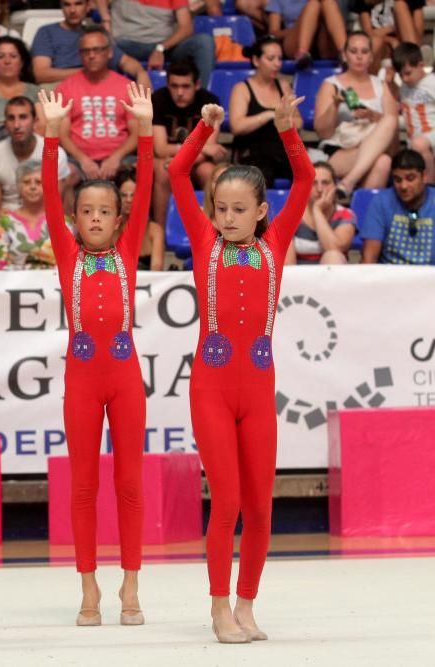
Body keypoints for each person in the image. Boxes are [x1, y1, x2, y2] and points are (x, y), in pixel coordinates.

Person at [168, 93, 312, 643]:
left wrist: (287, 130)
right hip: (211, 389)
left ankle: (248, 604)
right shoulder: (205, 244)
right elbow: (178, 172)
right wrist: (204, 130)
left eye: (237, 210)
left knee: (259, 505)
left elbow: (302, 183)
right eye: (219, 209)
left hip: (258, 393)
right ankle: (218, 607)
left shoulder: (275, 243)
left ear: (259, 212)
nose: (225, 219)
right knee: (225, 499)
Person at [41, 85, 153, 630]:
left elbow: (149, 189)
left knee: (129, 483)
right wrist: (52, 136)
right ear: (75, 216)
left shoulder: (128, 252)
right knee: (83, 484)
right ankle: (89, 587)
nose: (93, 218)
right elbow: (46, 191)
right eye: (85, 210)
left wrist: (147, 134)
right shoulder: (67, 255)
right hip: (83, 380)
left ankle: (131, 583)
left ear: (117, 219)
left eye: (104, 211)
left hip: (125, 378)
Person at [151, 57, 223, 257]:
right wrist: (200, 150)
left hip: (195, 161)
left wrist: (182, 159)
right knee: (163, 171)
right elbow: (160, 148)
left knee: (210, 173)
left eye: (185, 86)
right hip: (175, 159)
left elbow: (212, 148)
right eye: (174, 86)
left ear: (197, 85)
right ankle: (163, 235)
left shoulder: (210, 102)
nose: (180, 92)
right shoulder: (158, 99)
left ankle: (217, 234)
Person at [314, 31, 398, 197]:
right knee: (381, 159)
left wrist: (373, 117)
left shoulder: (382, 86)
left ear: (372, 57)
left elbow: (394, 141)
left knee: (384, 160)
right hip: (340, 152)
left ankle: (350, 187)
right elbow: (323, 132)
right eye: (353, 51)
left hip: (375, 150)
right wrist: (335, 105)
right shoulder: (331, 84)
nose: (359, 57)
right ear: (345, 56)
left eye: (364, 52)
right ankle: (350, 183)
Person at [0, 95, 72, 233]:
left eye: (23, 117)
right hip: (8, 220)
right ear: (5, 123)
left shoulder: (56, 153)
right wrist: (16, 220)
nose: (17, 125)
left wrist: (35, 223)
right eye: (11, 118)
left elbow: (56, 203)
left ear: (35, 121)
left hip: (45, 218)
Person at [55, 27, 136, 181]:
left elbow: (137, 133)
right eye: (86, 51)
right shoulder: (65, 88)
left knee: (141, 171)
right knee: (64, 174)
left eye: (97, 50)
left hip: (121, 158)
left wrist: (115, 158)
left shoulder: (127, 87)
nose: (91, 56)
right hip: (78, 160)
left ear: (110, 52)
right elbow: (63, 135)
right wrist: (82, 159)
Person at [229, 36, 302, 185]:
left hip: (282, 150)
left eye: (280, 59)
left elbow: (299, 122)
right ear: (256, 60)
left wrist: (287, 120)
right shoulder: (242, 89)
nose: (277, 64)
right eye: (271, 59)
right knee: (260, 173)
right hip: (252, 151)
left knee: (305, 170)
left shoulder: (284, 86)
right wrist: (268, 115)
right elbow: (236, 127)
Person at [31, 0, 152, 88]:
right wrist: (88, 72)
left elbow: (125, 61)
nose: (72, 10)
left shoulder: (95, 34)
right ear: (61, 7)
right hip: (61, 85)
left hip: (97, 83)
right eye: (67, 5)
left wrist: (141, 73)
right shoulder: (46, 32)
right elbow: (41, 74)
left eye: (78, 4)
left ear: (88, 6)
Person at [105, 0, 216, 88]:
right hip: (126, 45)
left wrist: (160, 48)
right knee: (102, 46)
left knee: (204, 42)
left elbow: (186, 28)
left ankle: (203, 104)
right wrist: (105, 18)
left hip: (165, 45)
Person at [0, 160, 69, 270]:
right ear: (18, 187)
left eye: (38, 182)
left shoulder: (63, 222)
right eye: (26, 182)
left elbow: (73, 263)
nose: (32, 187)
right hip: (14, 284)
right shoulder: (4, 222)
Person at [362, 148, 435, 264]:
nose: (403, 186)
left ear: (424, 177)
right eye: (397, 179)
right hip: (390, 278)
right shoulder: (381, 201)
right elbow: (369, 259)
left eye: (410, 178)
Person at [285, 161, 357, 264]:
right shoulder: (291, 217)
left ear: (335, 186)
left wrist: (317, 210)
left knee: (333, 256)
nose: (319, 189)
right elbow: (288, 265)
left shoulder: (345, 215)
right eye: (314, 183)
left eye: (325, 183)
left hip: (333, 276)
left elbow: (335, 248)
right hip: (300, 277)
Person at [392, 42, 435, 184]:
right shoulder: (404, 87)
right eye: (401, 74)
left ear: (421, 65)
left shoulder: (431, 82)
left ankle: (430, 181)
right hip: (415, 138)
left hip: (431, 134)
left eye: (408, 73)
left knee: (418, 144)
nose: (404, 78)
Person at [266, 0, 347, 68]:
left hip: (321, 41)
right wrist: (300, 29)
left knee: (328, 1)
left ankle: (345, 53)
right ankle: (302, 54)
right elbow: (273, 33)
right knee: (313, 4)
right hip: (295, 40)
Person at [116, 164, 166, 271]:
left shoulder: (155, 231)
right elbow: (98, 264)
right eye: (124, 195)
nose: (128, 200)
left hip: (149, 285)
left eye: (133, 195)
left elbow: (157, 268)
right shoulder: (110, 229)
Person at [356, 0, 426, 67]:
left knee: (400, 5)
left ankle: (413, 62)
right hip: (383, 44)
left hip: (405, 44)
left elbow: (418, 34)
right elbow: (368, 33)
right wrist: (391, 39)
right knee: (376, 42)